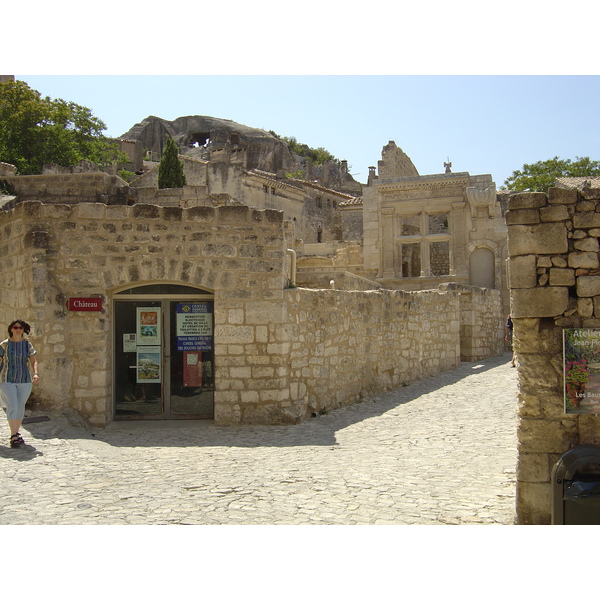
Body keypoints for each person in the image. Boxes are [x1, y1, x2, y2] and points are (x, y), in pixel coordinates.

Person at [0, 319, 39, 448]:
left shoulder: (27, 345)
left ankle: (16, 433)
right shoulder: (4, 345)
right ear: (11, 329)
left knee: (20, 406)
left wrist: (35, 373)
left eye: (20, 328)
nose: (18, 330)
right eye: (15, 327)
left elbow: (33, 360)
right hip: (7, 379)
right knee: (13, 405)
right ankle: (13, 435)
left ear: (23, 330)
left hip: (24, 380)